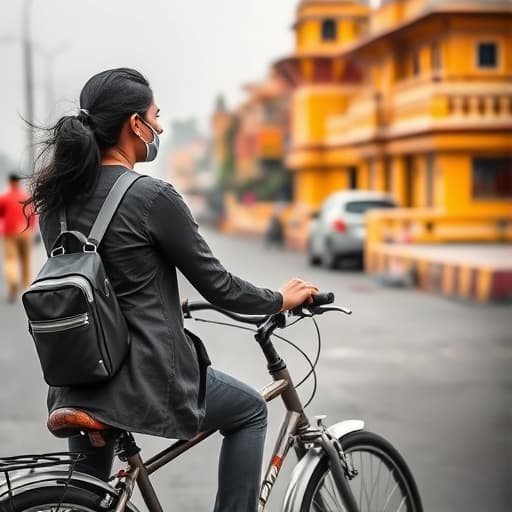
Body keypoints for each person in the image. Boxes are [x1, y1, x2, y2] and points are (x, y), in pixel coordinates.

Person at [25, 68, 318, 512]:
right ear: (134, 125)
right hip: (143, 375)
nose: (160, 127)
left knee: (83, 500)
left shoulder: (56, 201)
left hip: (76, 378)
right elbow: (219, 286)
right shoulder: (152, 197)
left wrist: (160, 299)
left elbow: (96, 284)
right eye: (155, 116)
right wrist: (279, 299)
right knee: (251, 411)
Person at [0, 173, 36, 302]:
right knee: (25, 261)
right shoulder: (25, 197)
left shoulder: (4, 198)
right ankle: (26, 288)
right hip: (26, 232)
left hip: (10, 232)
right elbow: (32, 216)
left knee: (11, 259)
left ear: (10, 182)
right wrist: (32, 229)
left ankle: (13, 279)